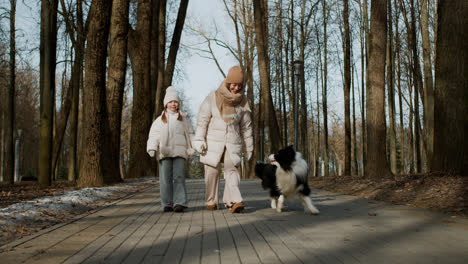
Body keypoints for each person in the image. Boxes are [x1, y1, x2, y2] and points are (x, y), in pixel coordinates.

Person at [193, 65, 253, 213]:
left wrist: (249, 146)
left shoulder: (243, 101)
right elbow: (203, 120)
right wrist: (199, 140)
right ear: (227, 83)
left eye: (239, 85)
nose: (236, 88)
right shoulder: (213, 97)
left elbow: (246, 126)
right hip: (213, 142)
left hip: (232, 142)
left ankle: (234, 201)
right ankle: (211, 201)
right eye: (234, 84)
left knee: (231, 170)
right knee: (212, 172)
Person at [147, 86, 194, 213]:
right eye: (171, 102)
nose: (173, 104)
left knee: (179, 176)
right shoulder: (159, 120)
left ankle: (180, 202)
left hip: (179, 151)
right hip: (165, 151)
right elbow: (154, 135)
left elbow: (190, 134)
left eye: (175, 102)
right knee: (165, 178)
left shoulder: (183, 119)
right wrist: (152, 147)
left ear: (178, 103)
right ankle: (167, 203)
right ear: (166, 104)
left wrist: (194, 146)